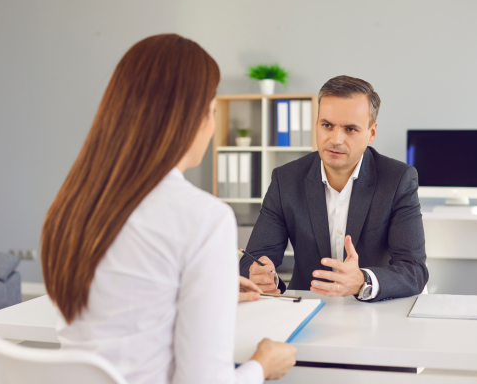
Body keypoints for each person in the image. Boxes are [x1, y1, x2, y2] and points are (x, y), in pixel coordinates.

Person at [41, 34, 296, 384]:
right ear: (186, 118)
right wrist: (262, 365)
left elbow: (124, 308)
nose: (212, 125)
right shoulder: (204, 217)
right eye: (211, 111)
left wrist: (207, 297)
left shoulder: (73, 205)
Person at [240, 75, 428, 302]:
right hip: (306, 307)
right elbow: (253, 260)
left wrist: (362, 281)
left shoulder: (398, 179)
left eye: (350, 129)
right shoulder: (286, 180)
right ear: (316, 124)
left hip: (374, 308)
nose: (336, 139)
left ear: (372, 133)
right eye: (327, 125)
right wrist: (260, 275)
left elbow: (414, 271)